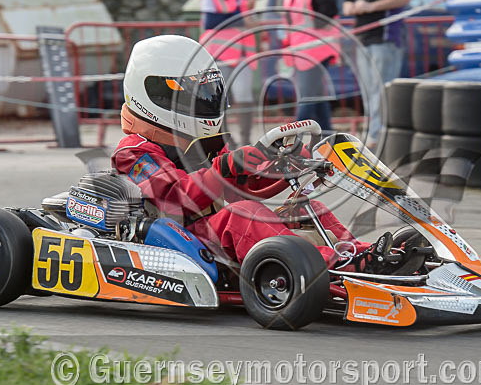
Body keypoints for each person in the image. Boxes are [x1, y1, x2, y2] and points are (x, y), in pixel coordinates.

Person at [111, 35, 418, 273]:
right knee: (243, 215)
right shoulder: (134, 150)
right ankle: (338, 266)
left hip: (214, 231)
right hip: (179, 239)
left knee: (309, 208)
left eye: (207, 92)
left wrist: (284, 167)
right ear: (156, 95)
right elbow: (175, 198)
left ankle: (368, 256)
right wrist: (226, 167)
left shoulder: (200, 141)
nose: (204, 100)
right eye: (193, 93)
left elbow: (240, 188)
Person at [343, 0, 410, 149]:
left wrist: (371, 6)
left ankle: (377, 138)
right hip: (362, 39)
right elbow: (346, 3)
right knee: (368, 91)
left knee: (382, 91)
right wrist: (352, 8)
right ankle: (374, 134)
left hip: (386, 38)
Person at [198, 0, 256, 145]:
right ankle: (225, 141)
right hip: (219, 52)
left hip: (243, 52)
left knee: (244, 95)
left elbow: (247, 19)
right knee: (220, 97)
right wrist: (241, 17)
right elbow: (210, 21)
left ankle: (246, 140)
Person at [282, 0, 339, 132]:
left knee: (306, 98)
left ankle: (292, 140)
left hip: (317, 51)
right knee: (318, 98)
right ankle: (329, 138)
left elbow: (328, 15)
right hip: (302, 52)